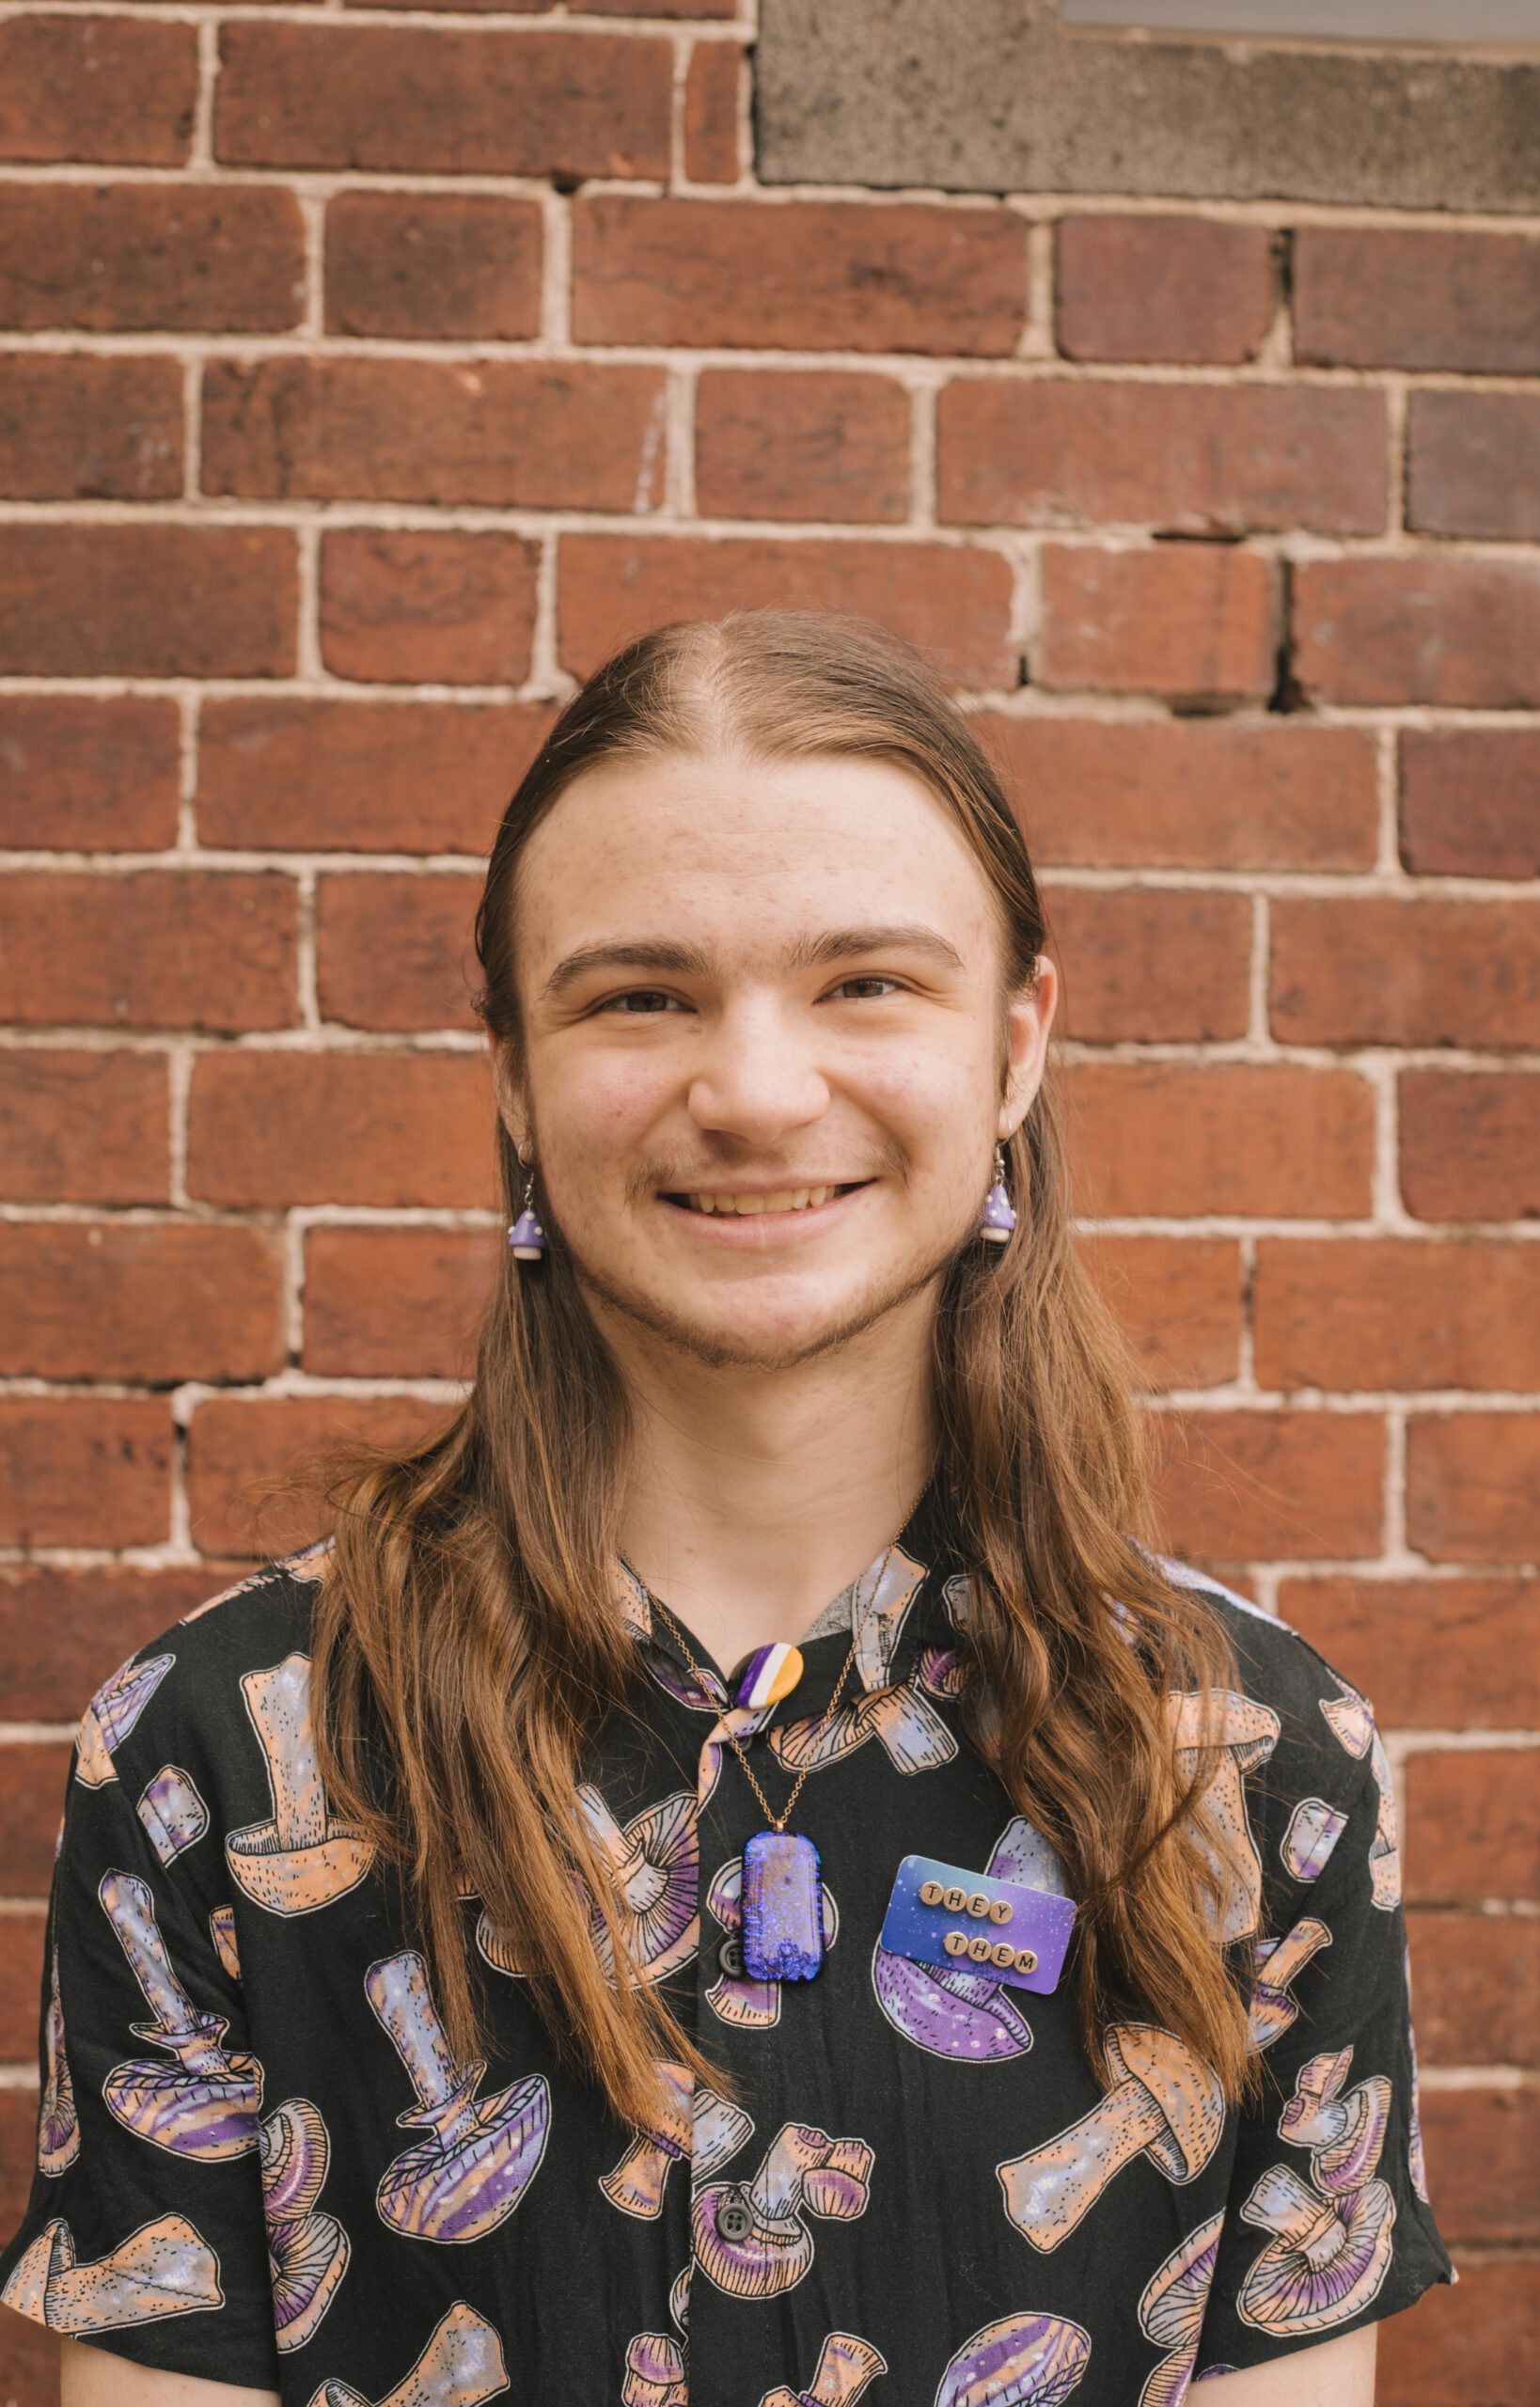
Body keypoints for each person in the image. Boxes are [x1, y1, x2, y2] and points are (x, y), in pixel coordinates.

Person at [2, 613, 1450, 2407]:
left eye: (866, 984)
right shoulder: (211, 1754)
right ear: (515, 1081)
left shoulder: (1262, 1768)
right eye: (640, 995)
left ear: (1014, 1050)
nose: (758, 1092)